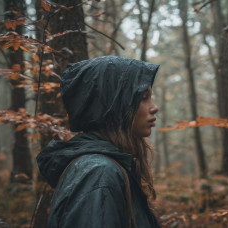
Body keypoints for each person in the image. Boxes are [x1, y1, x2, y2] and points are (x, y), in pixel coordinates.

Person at [36, 56, 161, 228]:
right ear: (116, 105)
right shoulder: (99, 173)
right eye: (143, 97)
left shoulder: (104, 167)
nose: (154, 107)